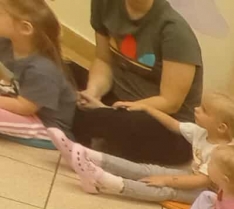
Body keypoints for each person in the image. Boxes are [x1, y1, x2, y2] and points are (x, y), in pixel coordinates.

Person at [71, 0, 204, 166]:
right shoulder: (104, 4)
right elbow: (103, 60)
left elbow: (170, 102)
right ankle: (93, 129)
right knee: (63, 72)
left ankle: (88, 132)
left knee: (116, 121)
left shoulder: (175, 31)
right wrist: (92, 92)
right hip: (119, 98)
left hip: (165, 123)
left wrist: (109, 111)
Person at [61, 91, 234, 204]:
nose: (196, 109)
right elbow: (174, 125)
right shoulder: (202, 132)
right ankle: (88, 155)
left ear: (221, 127)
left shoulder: (222, 153)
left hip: (206, 193)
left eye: (204, 110)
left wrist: (167, 179)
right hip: (192, 176)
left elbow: (201, 182)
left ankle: (106, 181)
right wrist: (148, 109)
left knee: (165, 189)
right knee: (149, 170)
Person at [0, 0, 75, 142]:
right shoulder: (5, 44)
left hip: (47, 127)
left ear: (25, 28)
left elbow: (25, 107)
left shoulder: (42, 69)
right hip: (21, 110)